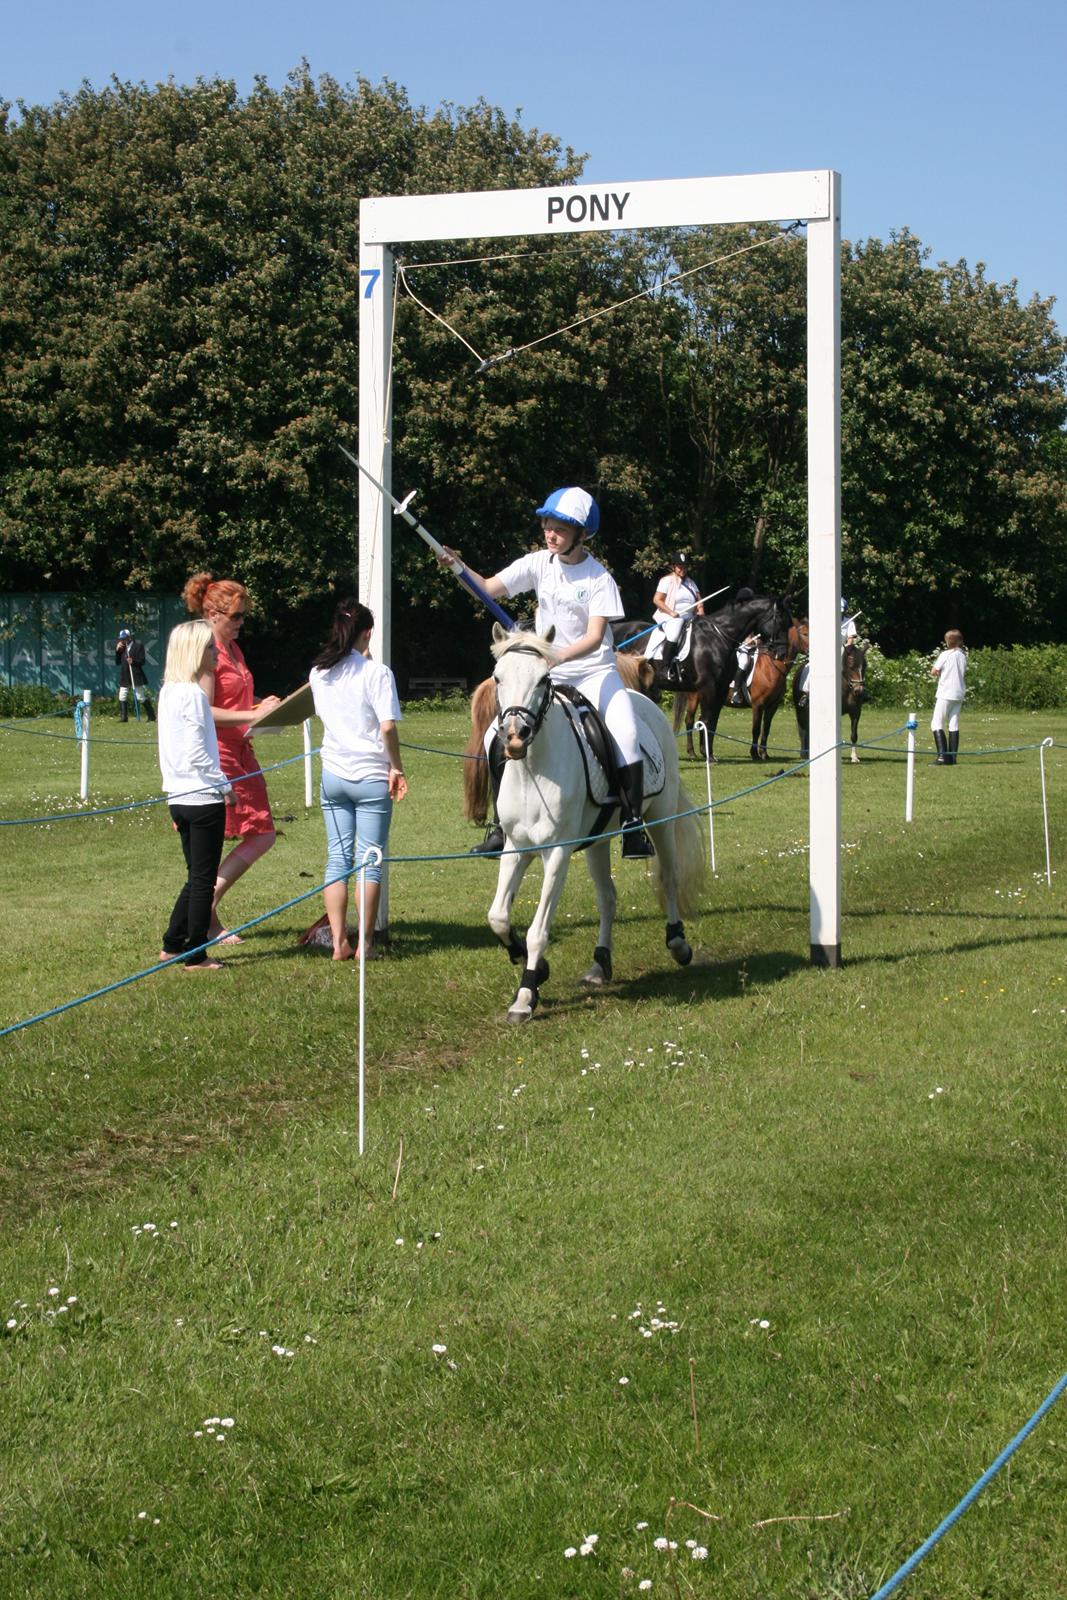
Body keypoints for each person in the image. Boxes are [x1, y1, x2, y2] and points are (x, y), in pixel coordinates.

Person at [441, 486, 655, 859]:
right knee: (496, 733)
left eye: (559, 529)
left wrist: (554, 656)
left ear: (582, 535)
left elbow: (592, 638)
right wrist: (458, 567)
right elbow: (488, 588)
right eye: (547, 527)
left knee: (626, 731)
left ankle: (633, 825)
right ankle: (500, 826)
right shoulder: (539, 563)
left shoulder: (598, 578)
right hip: (550, 675)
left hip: (593, 673)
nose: (550, 534)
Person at [182, 572, 281, 941]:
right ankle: (205, 914)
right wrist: (252, 714)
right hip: (217, 757)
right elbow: (204, 711)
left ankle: (204, 912)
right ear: (212, 614)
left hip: (243, 750)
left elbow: (234, 704)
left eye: (243, 616)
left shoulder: (234, 649)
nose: (242, 623)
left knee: (262, 834)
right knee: (213, 846)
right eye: (236, 616)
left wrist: (263, 709)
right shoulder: (206, 652)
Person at [309, 599, 408, 960]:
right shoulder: (376, 674)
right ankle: (365, 942)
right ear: (367, 633)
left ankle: (338, 942)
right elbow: (387, 727)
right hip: (370, 776)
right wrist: (396, 766)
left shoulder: (318, 673)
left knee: (337, 858)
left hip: (333, 774)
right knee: (371, 860)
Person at [156, 621, 231, 970]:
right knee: (204, 879)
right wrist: (225, 786)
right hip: (202, 797)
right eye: (210, 648)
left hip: (178, 795)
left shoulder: (168, 692)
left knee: (196, 875)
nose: (216, 653)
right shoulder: (192, 694)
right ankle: (195, 954)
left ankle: (173, 944)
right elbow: (198, 752)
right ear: (193, 653)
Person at [644, 552, 704, 681]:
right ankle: (665, 668)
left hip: (691, 617)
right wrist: (671, 612)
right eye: (680, 567)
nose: (683, 569)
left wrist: (701, 612)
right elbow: (657, 600)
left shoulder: (691, 583)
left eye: (685, 566)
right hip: (669, 616)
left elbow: (699, 601)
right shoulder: (666, 581)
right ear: (674, 567)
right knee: (675, 632)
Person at [930, 628, 967, 766]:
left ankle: (942, 757)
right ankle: (952, 757)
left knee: (936, 723)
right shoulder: (963, 655)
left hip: (946, 692)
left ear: (947, 642)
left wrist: (939, 673)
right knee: (953, 723)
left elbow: (934, 671)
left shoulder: (945, 654)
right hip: (959, 693)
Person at [115, 627, 155, 722]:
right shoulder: (122, 648)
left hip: (135, 674)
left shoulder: (138, 646)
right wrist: (117, 651)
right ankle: (124, 718)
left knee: (140, 697)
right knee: (122, 696)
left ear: (130, 637)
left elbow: (142, 661)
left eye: (125, 638)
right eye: (121, 638)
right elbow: (117, 662)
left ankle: (152, 716)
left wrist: (133, 661)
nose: (123, 640)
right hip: (125, 675)